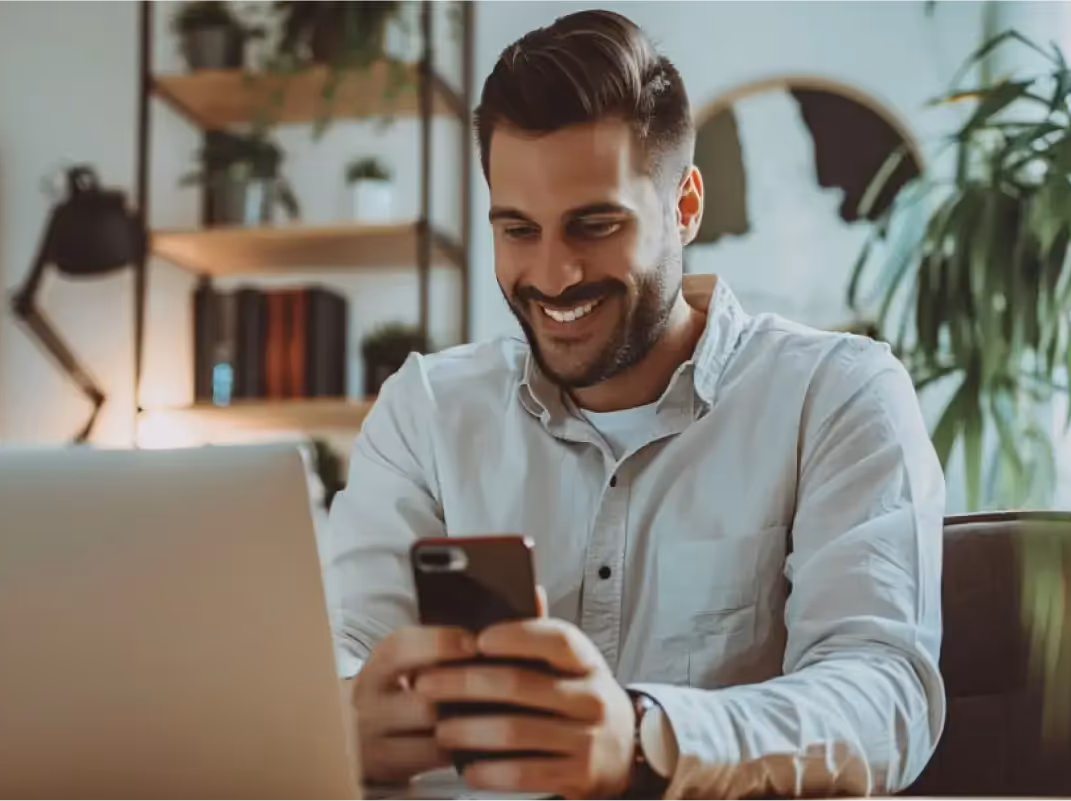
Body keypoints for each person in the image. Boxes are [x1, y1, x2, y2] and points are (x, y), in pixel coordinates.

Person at [324, 10, 945, 800]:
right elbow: (346, 647)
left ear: (685, 207)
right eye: (518, 229)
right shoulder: (424, 410)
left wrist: (647, 735)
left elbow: (884, 695)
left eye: (595, 224)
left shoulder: (838, 395)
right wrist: (348, 712)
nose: (552, 274)